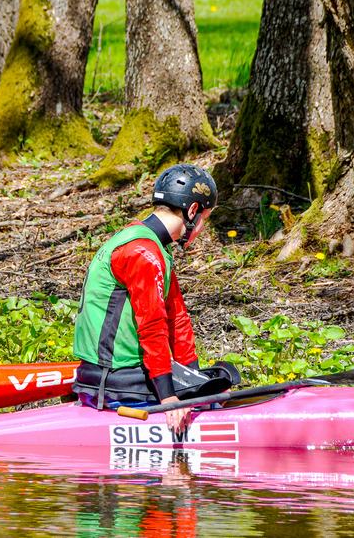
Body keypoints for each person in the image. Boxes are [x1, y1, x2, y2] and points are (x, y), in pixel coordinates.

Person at [72, 164, 235, 434]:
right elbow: (152, 325)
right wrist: (170, 398)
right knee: (213, 398)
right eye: (206, 217)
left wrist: (194, 382)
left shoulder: (154, 248)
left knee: (217, 383)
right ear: (192, 211)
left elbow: (177, 319)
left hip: (128, 373)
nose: (203, 227)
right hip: (113, 379)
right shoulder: (142, 252)